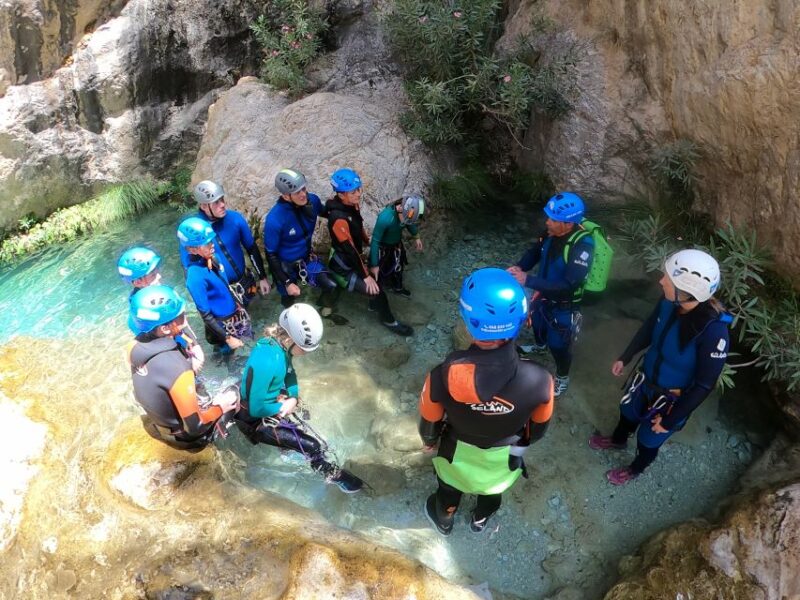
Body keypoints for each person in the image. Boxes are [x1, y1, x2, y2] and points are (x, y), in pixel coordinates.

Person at [419, 268, 554, 535]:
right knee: (493, 492)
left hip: (456, 454)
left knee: (448, 489)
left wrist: (430, 442)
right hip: (503, 460)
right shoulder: (541, 380)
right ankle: (480, 519)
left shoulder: (441, 376)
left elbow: (429, 425)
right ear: (521, 320)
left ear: (469, 320)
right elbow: (537, 431)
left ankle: (445, 519)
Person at [589, 249, 731, 485]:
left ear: (686, 291)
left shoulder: (714, 333)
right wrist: (626, 356)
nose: (661, 281)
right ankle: (618, 439)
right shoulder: (669, 302)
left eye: (668, 278)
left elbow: (703, 386)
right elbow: (649, 330)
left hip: (670, 399)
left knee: (650, 438)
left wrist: (669, 420)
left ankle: (636, 468)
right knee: (627, 413)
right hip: (646, 379)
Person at [237, 303, 364, 493]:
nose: (306, 353)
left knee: (297, 425)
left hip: (267, 406)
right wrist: (282, 408)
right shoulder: (268, 361)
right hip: (253, 420)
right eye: (305, 349)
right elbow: (255, 408)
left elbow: (290, 374)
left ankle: (286, 445)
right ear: (290, 339)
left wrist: (293, 397)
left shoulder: (278, 347)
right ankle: (333, 475)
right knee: (313, 446)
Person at [126, 285, 239, 451]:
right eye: (180, 317)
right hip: (188, 439)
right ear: (164, 328)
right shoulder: (177, 368)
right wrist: (220, 406)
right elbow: (196, 427)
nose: (186, 321)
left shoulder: (133, 347)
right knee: (237, 392)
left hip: (162, 427)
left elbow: (159, 379)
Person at [507, 192, 594, 398]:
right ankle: (539, 345)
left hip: (565, 303)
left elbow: (568, 286)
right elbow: (535, 252)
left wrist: (528, 280)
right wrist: (519, 267)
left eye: (552, 219)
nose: (547, 221)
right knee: (537, 324)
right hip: (543, 293)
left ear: (568, 224)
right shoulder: (550, 233)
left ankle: (563, 376)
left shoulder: (583, 247)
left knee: (559, 344)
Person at [319, 168, 413, 336]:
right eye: (354, 191)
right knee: (376, 289)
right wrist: (365, 276)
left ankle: (372, 303)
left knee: (377, 279)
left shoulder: (351, 205)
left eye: (358, 189)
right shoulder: (338, 218)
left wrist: (366, 240)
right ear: (341, 194)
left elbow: (358, 225)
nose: (358, 194)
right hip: (343, 266)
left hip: (350, 258)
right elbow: (350, 250)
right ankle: (389, 321)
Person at [179, 180, 270, 306]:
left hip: (246, 282)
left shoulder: (235, 219)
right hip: (222, 294)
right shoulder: (194, 233)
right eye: (216, 202)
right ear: (204, 206)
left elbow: (251, 248)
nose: (222, 205)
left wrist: (262, 277)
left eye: (222, 199)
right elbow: (189, 270)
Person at [118, 245, 205, 372]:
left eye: (157, 272)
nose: (159, 276)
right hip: (175, 358)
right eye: (153, 275)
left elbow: (182, 322)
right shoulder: (140, 317)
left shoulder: (162, 295)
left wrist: (195, 345)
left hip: (183, 346)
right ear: (137, 282)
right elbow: (157, 350)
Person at [263, 169, 338, 308]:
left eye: (303, 188)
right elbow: (271, 254)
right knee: (289, 301)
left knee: (330, 285)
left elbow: (327, 213)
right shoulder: (275, 219)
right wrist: (287, 282)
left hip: (306, 259)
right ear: (286, 196)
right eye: (298, 192)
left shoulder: (312, 201)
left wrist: (343, 207)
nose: (304, 194)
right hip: (285, 267)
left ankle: (322, 306)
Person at [178, 217, 251, 354]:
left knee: (247, 345)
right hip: (222, 327)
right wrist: (228, 338)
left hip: (235, 314)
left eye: (211, 240)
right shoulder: (195, 277)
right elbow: (205, 315)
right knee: (229, 358)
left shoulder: (213, 257)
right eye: (206, 244)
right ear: (192, 250)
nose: (212, 245)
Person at [368, 195, 425, 297]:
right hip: (382, 247)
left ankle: (398, 288)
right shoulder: (385, 218)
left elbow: (409, 223)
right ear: (399, 208)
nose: (405, 222)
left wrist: (416, 236)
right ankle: (376, 294)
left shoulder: (406, 215)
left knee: (398, 268)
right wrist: (374, 264)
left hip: (396, 245)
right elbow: (375, 241)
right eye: (405, 219)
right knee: (379, 273)